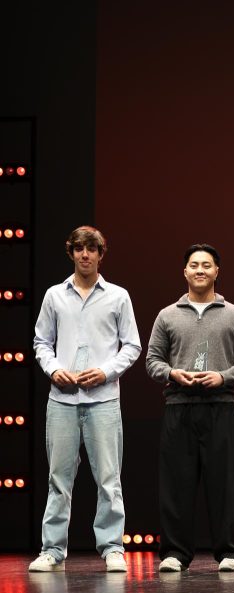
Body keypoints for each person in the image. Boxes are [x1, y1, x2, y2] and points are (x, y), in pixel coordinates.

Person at [30, 226, 141, 573]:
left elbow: (132, 345)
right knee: (58, 479)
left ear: (101, 254)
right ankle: (52, 549)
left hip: (103, 399)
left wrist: (105, 372)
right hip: (62, 400)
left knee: (108, 478)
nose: (85, 254)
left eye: (91, 249)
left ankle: (112, 548)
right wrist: (54, 370)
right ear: (71, 252)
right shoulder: (54, 296)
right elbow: (41, 342)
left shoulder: (118, 296)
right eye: (79, 248)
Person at [145, 244, 234, 573]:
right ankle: (175, 553)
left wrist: (223, 376)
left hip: (221, 406)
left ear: (216, 271)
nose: (200, 270)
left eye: (206, 265)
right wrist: (172, 373)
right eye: (194, 265)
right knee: (176, 485)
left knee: (226, 485)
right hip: (178, 407)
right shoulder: (167, 315)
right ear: (185, 272)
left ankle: (231, 553)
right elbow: (152, 361)